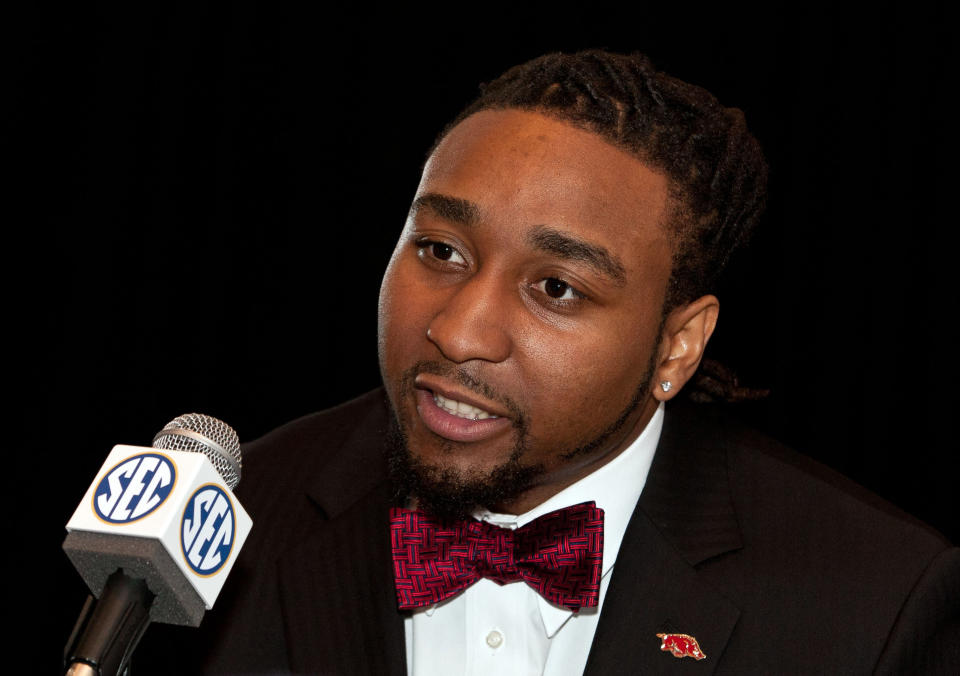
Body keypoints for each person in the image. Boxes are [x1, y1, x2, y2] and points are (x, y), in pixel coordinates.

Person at [145, 50, 959, 675]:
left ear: (677, 345)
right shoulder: (231, 520)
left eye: (557, 289)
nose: (461, 331)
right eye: (440, 249)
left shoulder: (872, 603)